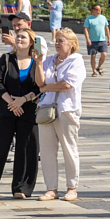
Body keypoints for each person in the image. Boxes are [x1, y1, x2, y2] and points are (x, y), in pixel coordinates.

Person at [0, 29, 41, 200]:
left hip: (28, 110)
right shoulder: (5, 59)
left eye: (23, 37)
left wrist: (23, 100)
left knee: (26, 148)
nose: (19, 39)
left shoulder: (37, 62)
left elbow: (40, 86)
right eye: (18, 36)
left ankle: (21, 188)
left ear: (31, 42)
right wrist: (11, 101)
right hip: (5, 110)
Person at [34, 27, 85, 203]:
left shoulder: (76, 61)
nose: (57, 44)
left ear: (72, 44)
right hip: (46, 109)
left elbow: (67, 84)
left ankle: (72, 187)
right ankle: (51, 188)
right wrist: (39, 63)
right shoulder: (49, 60)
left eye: (61, 40)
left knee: (69, 148)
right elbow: (39, 82)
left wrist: (46, 88)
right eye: (56, 40)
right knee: (47, 151)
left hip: (67, 109)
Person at [83, 5, 110, 76]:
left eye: (100, 9)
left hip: (102, 39)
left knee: (104, 54)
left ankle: (99, 66)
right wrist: (88, 39)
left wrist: (109, 38)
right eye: (97, 9)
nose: (99, 11)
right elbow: (85, 29)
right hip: (92, 40)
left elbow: (106, 28)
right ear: (93, 10)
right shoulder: (89, 19)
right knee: (93, 56)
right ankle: (94, 71)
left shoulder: (103, 18)